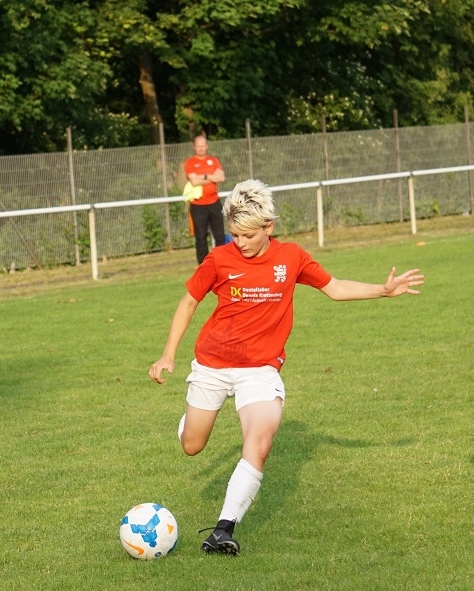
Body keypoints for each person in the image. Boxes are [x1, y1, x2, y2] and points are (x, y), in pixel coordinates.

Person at [149, 179, 424, 556]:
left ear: (269, 227)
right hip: (213, 364)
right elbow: (188, 302)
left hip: (260, 371)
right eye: (235, 235)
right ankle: (190, 421)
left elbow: (334, 288)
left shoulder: (291, 257)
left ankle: (223, 530)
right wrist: (168, 354)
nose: (240, 243)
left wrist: (382, 290)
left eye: (248, 235)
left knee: (259, 443)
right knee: (192, 446)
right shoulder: (219, 259)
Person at [184, 133, 227, 264]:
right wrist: (212, 177)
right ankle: (204, 265)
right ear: (194, 147)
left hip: (214, 203)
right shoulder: (190, 162)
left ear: (207, 146)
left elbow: (221, 177)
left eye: (203, 146)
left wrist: (204, 176)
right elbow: (194, 181)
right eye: (198, 146)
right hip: (198, 205)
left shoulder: (213, 160)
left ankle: (222, 262)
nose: (201, 148)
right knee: (201, 237)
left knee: (219, 235)